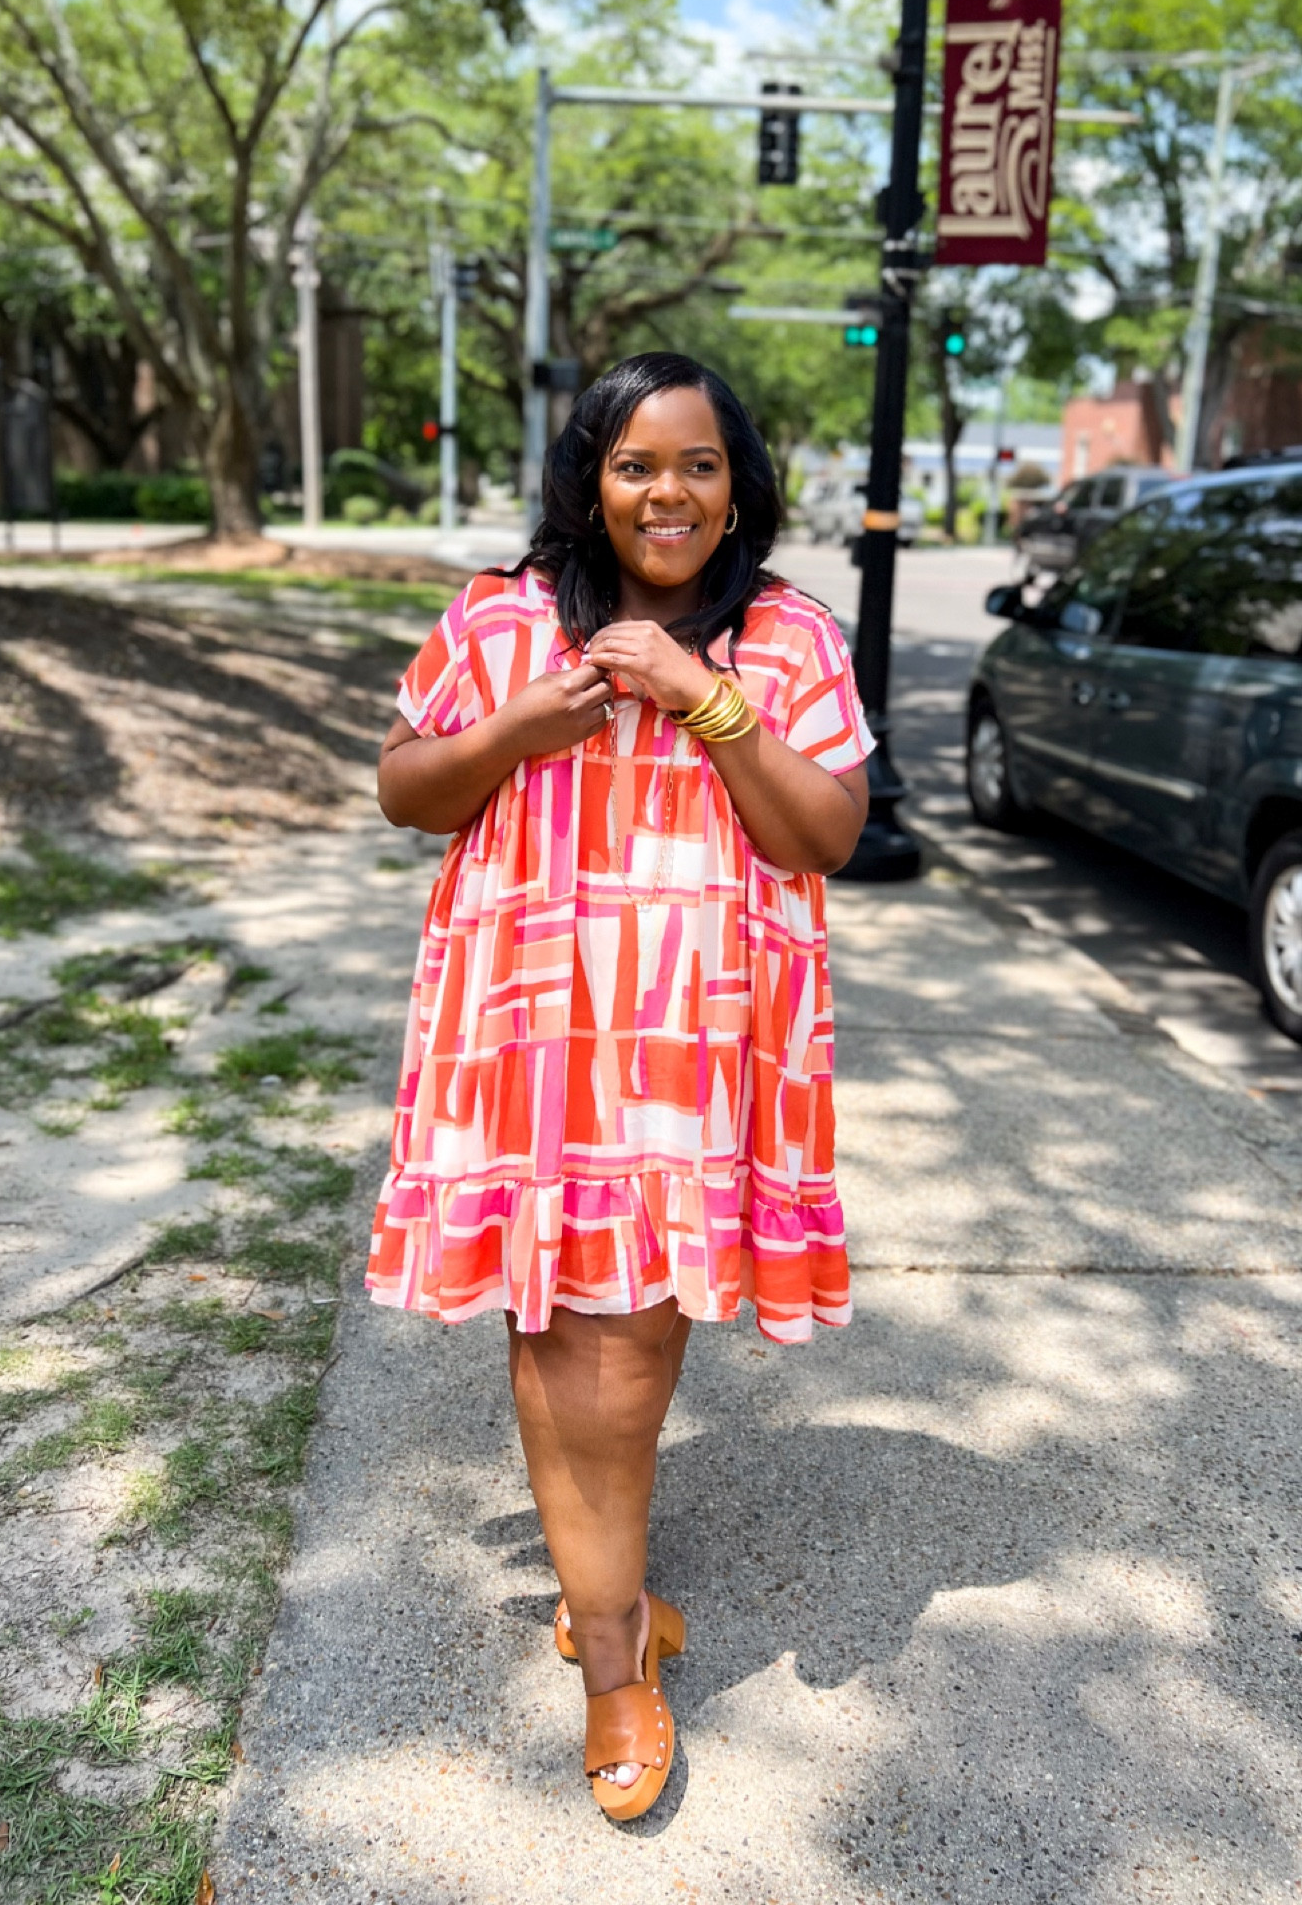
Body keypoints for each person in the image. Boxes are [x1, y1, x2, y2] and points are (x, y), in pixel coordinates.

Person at [369, 352, 872, 1821]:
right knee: (555, 1333)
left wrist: (706, 703)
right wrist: (518, 729)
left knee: (628, 1349)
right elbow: (408, 789)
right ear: (590, 477)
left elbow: (824, 833)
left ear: (737, 484)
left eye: (699, 465)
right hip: (525, 1031)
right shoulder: (499, 616)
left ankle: (613, 1603)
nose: (669, 493)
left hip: (691, 1048)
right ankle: (612, 1663)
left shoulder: (781, 637)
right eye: (637, 465)